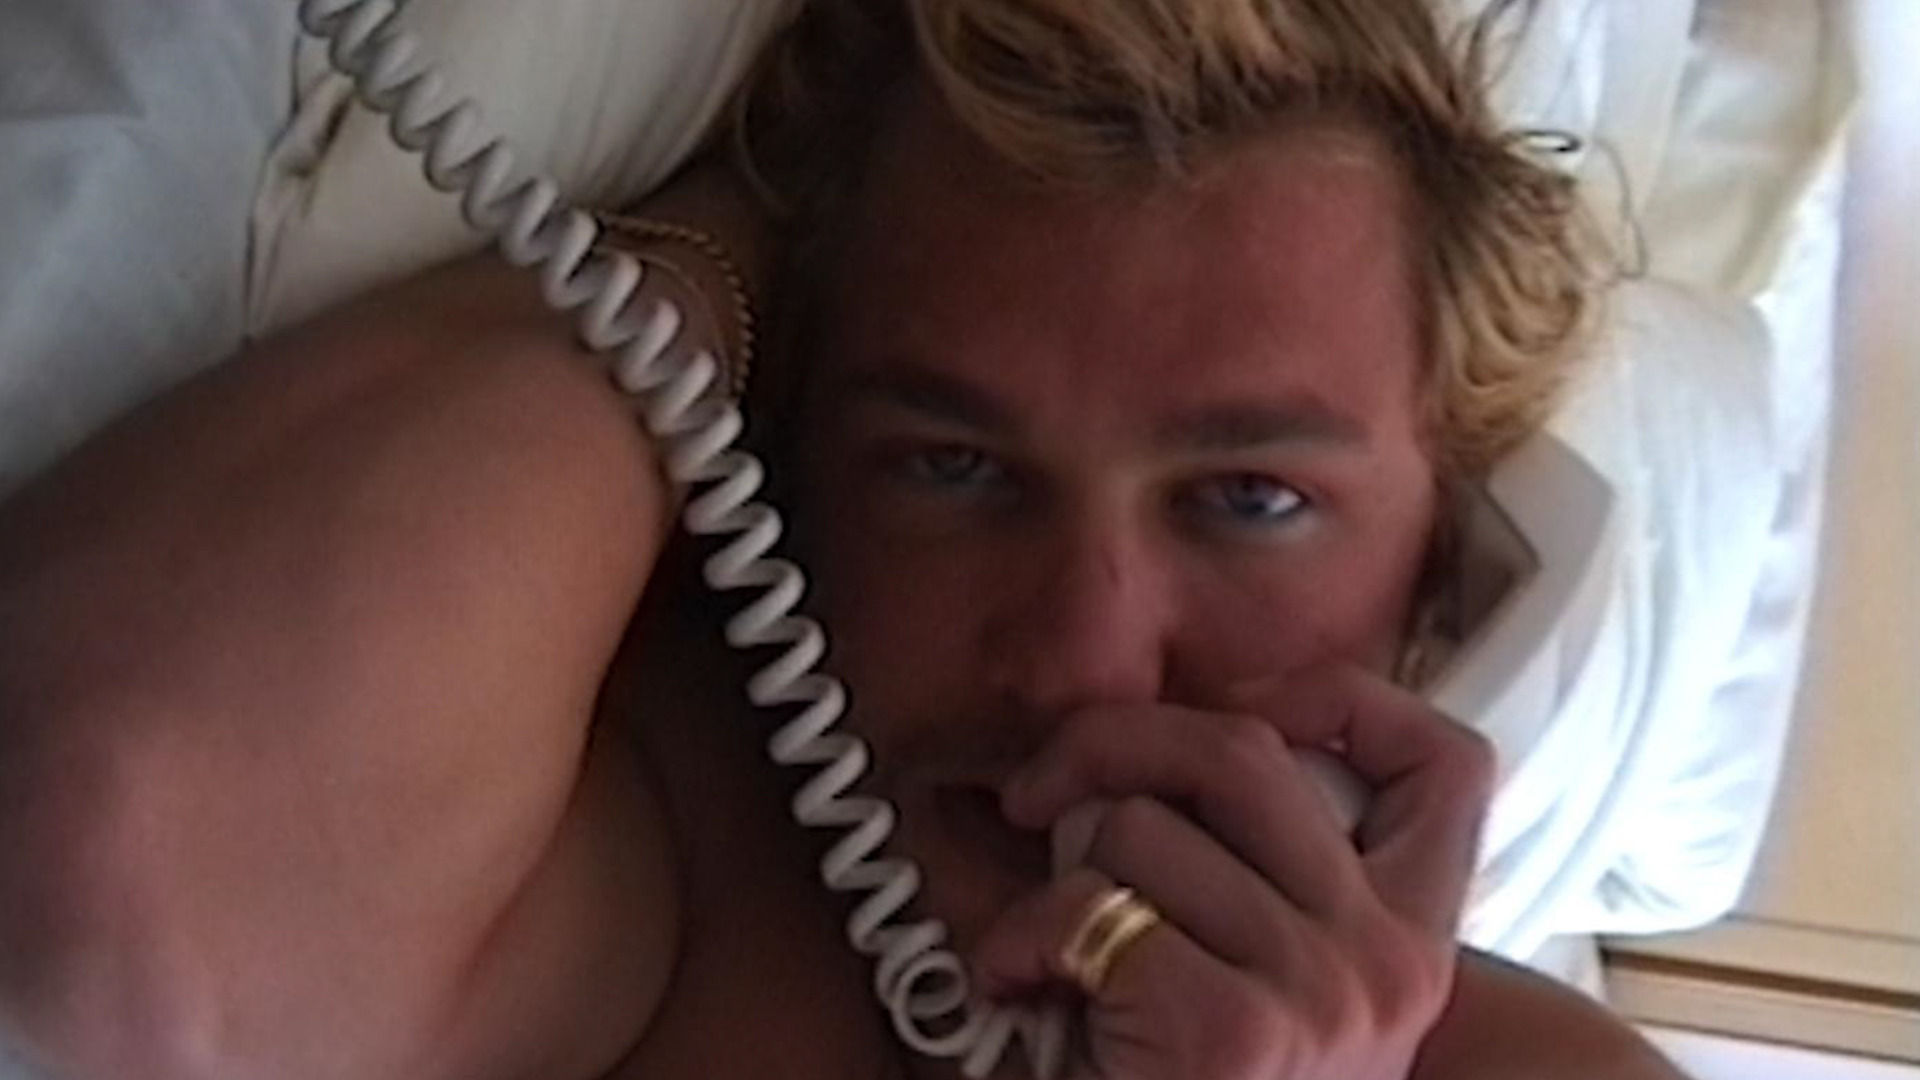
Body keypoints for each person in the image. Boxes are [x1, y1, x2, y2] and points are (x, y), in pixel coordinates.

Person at [0, 0, 1689, 1078]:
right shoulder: (672, 839)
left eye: (1250, 500)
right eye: (951, 466)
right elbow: (121, 828)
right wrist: (739, 251)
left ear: (1449, 562)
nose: (1083, 658)